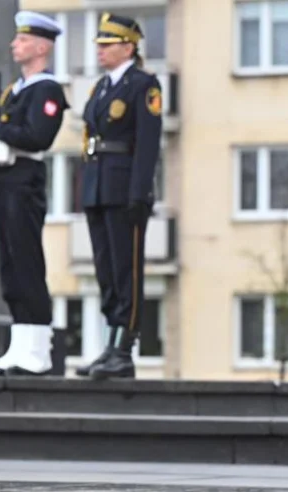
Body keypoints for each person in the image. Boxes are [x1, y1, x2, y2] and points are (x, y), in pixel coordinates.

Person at [0, 12, 69, 376]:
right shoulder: (15, 89)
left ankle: (38, 349)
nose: (15, 44)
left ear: (42, 46)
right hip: (4, 179)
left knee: (27, 262)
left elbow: (37, 136)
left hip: (25, 177)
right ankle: (20, 344)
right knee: (10, 265)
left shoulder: (47, 90)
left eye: (24, 39)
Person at [77, 13, 163, 380]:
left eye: (107, 44)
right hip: (99, 186)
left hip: (125, 187)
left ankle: (124, 348)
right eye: (98, 44)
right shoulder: (101, 87)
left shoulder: (143, 85)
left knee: (127, 272)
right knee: (107, 271)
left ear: (128, 47)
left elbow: (148, 143)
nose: (100, 50)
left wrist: (140, 191)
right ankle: (110, 345)